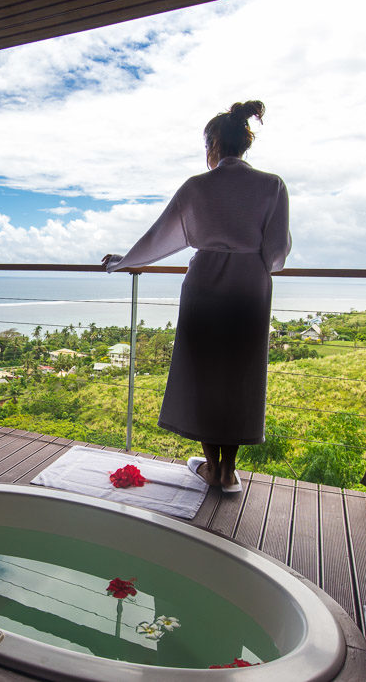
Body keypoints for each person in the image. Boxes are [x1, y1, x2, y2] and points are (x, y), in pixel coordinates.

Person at [102, 100, 290, 492]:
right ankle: (227, 470)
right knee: (239, 375)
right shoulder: (272, 186)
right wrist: (251, 261)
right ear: (245, 142)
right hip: (250, 289)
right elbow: (275, 254)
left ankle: (212, 466)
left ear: (214, 145)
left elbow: (160, 236)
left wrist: (124, 262)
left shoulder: (196, 187)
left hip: (204, 285)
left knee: (204, 373)